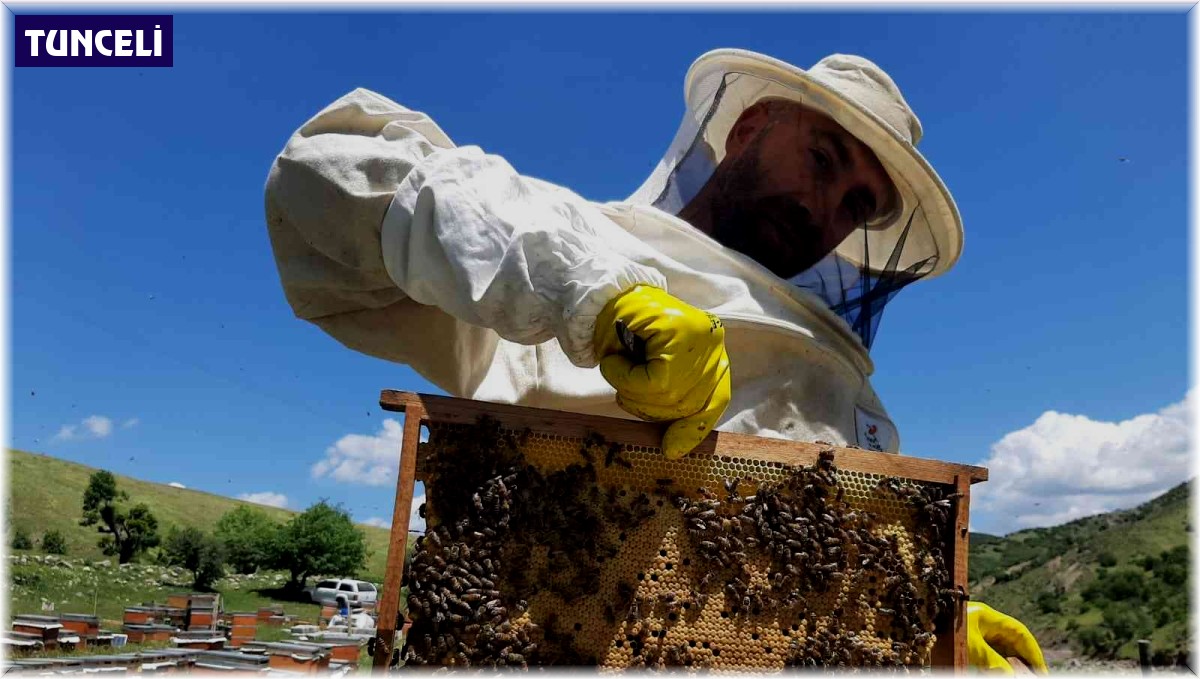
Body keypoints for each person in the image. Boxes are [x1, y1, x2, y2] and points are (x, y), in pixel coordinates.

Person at [264, 48, 1042, 673]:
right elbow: (319, 175)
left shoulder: (846, 393)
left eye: (856, 207)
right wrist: (597, 301)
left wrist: (927, 615)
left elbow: (822, 588)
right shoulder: (576, 240)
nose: (825, 209)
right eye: (822, 157)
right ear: (749, 127)